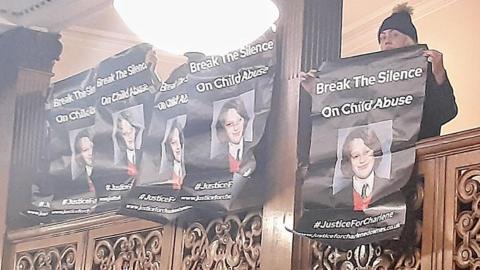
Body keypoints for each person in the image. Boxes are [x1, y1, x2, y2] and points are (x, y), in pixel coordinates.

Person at [301, 3, 457, 140]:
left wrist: (439, 75)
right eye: (382, 37)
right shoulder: (370, 77)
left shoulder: (425, 71)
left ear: (411, 41)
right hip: (376, 156)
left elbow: (446, 112)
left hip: (418, 153)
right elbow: (349, 111)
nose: (387, 40)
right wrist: (318, 92)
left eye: (394, 35)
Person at [337, 127, 389, 211]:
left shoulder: (390, 188)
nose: (362, 160)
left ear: (375, 154)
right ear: (348, 161)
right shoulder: (338, 198)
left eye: (366, 152)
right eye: (356, 156)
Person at [215, 98, 255, 176]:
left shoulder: (256, 150)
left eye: (239, 121)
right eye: (230, 124)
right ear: (223, 127)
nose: (236, 128)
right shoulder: (217, 158)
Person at [115, 110, 141, 177]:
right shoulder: (118, 165)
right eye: (125, 134)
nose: (129, 137)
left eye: (130, 131)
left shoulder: (145, 155)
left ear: (135, 130)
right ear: (120, 136)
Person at [73, 129, 96, 194]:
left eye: (92, 147)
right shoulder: (76, 182)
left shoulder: (109, 171)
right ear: (78, 155)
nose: (91, 153)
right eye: (85, 150)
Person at [164, 120, 185, 189]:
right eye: (173, 142)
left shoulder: (189, 167)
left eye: (180, 141)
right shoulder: (164, 173)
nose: (178, 146)